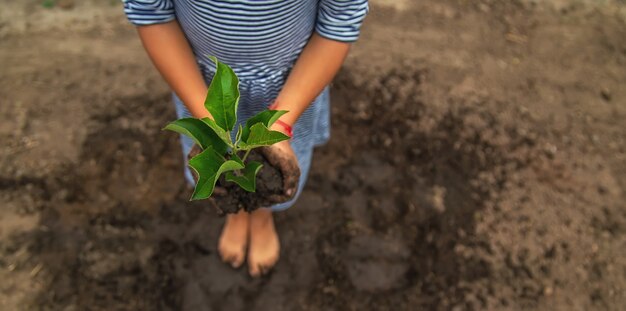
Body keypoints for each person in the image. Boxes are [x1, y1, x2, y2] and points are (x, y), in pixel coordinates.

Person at [122, 0, 369, 277]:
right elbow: (151, 13)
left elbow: (339, 22)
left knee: (274, 171)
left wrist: (278, 126)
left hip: (291, 89)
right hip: (203, 91)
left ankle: (261, 217)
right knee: (221, 171)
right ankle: (236, 214)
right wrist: (209, 124)